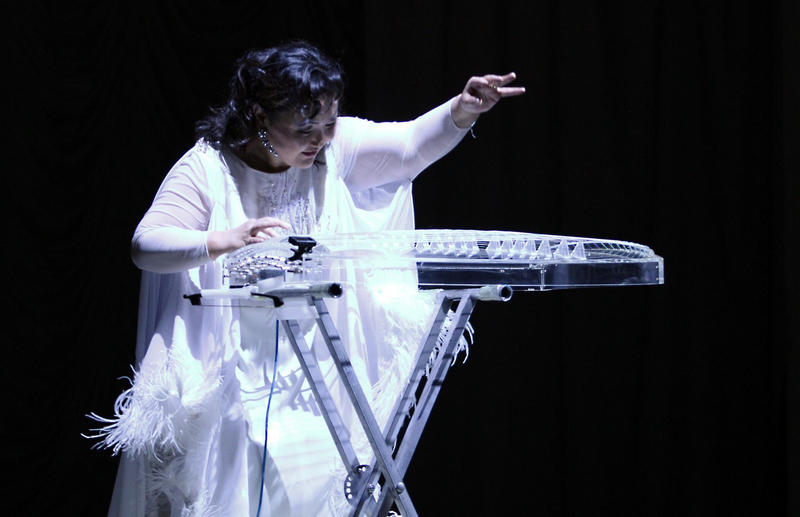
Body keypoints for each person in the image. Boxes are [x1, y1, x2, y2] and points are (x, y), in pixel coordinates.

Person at [90, 40, 524, 516]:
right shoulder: (209, 167)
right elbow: (146, 244)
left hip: (314, 371)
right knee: (239, 490)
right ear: (259, 113)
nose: (319, 139)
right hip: (235, 371)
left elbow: (408, 147)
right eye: (303, 128)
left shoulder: (333, 149)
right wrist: (224, 239)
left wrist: (462, 109)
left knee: (318, 487)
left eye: (328, 124)